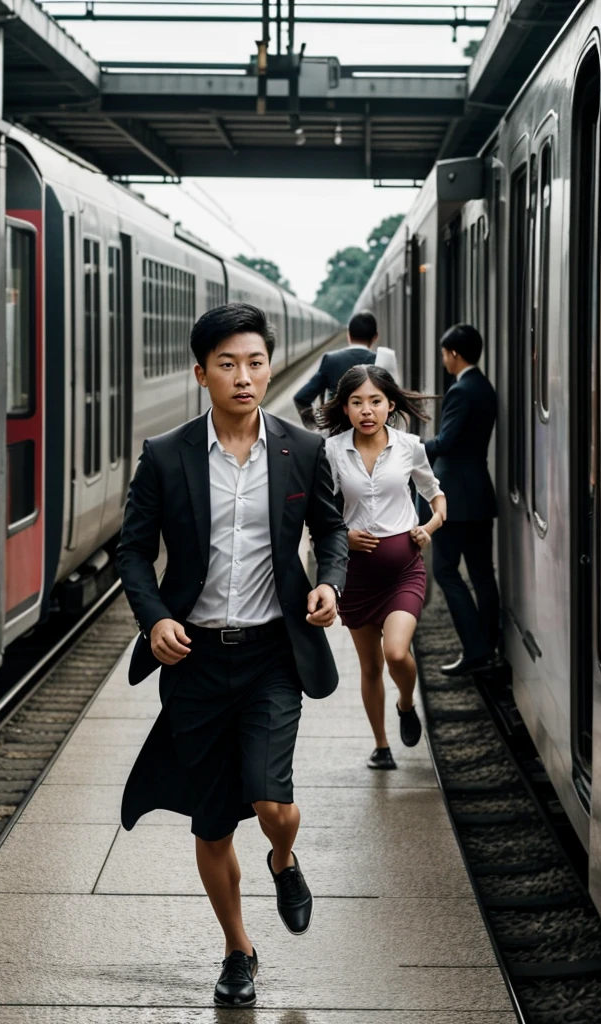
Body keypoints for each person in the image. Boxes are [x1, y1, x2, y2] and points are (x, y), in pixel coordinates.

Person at [116, 303, 348, 1009]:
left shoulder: (303, 451)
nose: (243, 376)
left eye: (254, 362)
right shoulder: (165, 455)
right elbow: (132, 550)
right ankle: (238, 951)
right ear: (201, 374)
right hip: (194, 661)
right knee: (212, 820)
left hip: (273, 655)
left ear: (268, 366)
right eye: (227, 364)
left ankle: (283, 857)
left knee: (272, 799)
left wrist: (330, 585)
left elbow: (331, 533)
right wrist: (154, 618)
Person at [323, 366, 446, 770]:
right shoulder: (332, 450)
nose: (367, 410)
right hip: (355, 575)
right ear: (346, 407)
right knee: (370, 666)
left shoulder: (410, 446)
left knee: (396, 653)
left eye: (375, 401)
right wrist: (344, 535)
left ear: (391, 404)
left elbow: (436, 497)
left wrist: (427, 528)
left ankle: (406, 704)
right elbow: (321, 514)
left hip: (403, 571)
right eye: (357, 402)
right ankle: (381, 745)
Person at [424, 323, 500, 677]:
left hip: (454, 496)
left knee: (445, 570)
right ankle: (489, 643)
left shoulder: (460, 391)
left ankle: (474, 648)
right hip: (479, 494)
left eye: (444, 354)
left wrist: (411, 447)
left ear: (453, 354)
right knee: (482, 572)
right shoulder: (484, 387)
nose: (443, 361)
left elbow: (447, 442)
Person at [293, 311, 378, 429]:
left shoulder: (331, 360)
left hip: (337, 432)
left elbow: (301, 398)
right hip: (372, 433)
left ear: (348, 335)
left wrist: (315, 426)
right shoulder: (381, 360)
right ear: (375, 337)